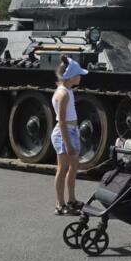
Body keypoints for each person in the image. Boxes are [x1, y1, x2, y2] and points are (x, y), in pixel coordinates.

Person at [52, 56, 87, 215]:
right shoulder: (63, 94)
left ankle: (71, 200)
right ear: (70, 76)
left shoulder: (67, 90)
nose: (80, 77)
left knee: (73, 167)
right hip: (64, 133)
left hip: (72, 131)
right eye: (78, 74)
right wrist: (68, 144)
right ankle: (60, 205)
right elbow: (62, 122)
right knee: (63, 168)